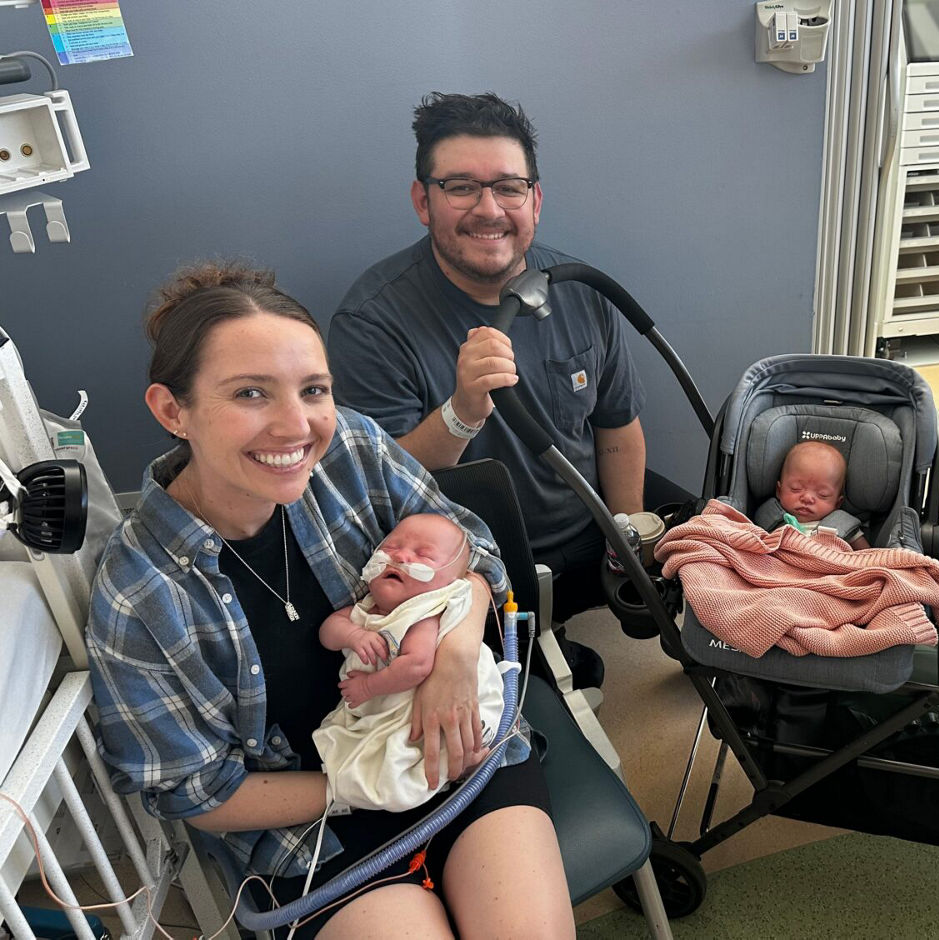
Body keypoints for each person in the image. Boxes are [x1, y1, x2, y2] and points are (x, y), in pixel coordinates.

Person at [86, 262, 573, 939]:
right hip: (308, 832)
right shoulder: (139, 595)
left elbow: (476, 557)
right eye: (251, 393)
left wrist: (458, 654)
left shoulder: (350, 447)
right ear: (174, 410)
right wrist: (361, 781)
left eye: (313, 389)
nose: (296, 426)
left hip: (458, 759)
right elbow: (196, 791)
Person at [328, 91, 689, 689]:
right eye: (461, 186)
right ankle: (543, 653)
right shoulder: (373, 322)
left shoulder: (579, 289)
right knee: (530, 699)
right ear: (424, 201)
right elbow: (379, 486)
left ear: (535, 200)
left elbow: (617, 427)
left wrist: (626, 539)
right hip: (476, 561)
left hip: (589, 515)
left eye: (509, 187)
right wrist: (462, 413)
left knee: (705, 548)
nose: (489, 209)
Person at [313, 513, 512, 814]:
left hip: (414, 701)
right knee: (357, 748)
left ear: (447, 583)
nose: (402, 556)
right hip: (379, 704)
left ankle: (456, 767)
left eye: (424, 555)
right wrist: (352, 634)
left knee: (411, 752)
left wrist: (369, 685)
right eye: (391, 547)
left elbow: (417, 665)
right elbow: (328, 633)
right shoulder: (367, 606)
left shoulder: (423, 612)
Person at [752, 441, 871, 549]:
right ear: (779, 490)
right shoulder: (767, 519)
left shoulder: (842, 526)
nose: (807, 498)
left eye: (822, 495)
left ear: (837, 503)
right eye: (796, 488)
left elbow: (868, 557)